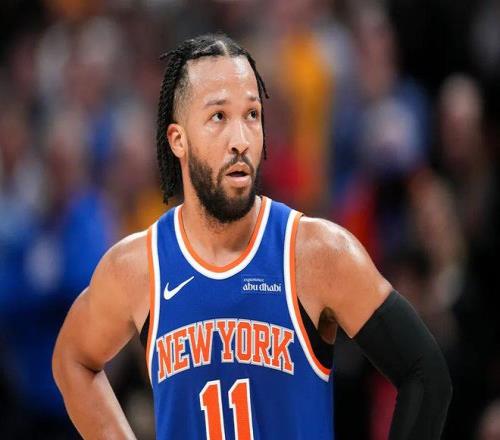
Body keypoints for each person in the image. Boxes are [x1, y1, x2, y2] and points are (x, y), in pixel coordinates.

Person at [52, 34, 452, 439]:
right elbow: (73, 360)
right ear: (178, 140)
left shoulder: (316, 253)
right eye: (218, 117)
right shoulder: (139, 267)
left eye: (252, 115)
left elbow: (425, 373)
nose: (241, 139)